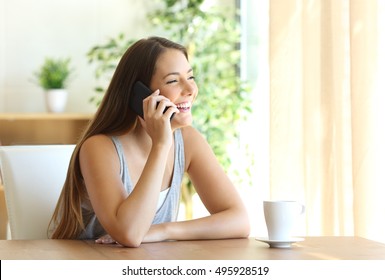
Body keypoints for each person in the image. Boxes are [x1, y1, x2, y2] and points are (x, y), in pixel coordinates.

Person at [49, 36, 250, 247]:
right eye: (173, 81)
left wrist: (164, 230)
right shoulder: (99, 148)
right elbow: (129, 233)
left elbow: (239, 221)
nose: (190, 90)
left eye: (190, 77)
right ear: (139, 94)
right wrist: (161, 145)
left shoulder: (188, 140)